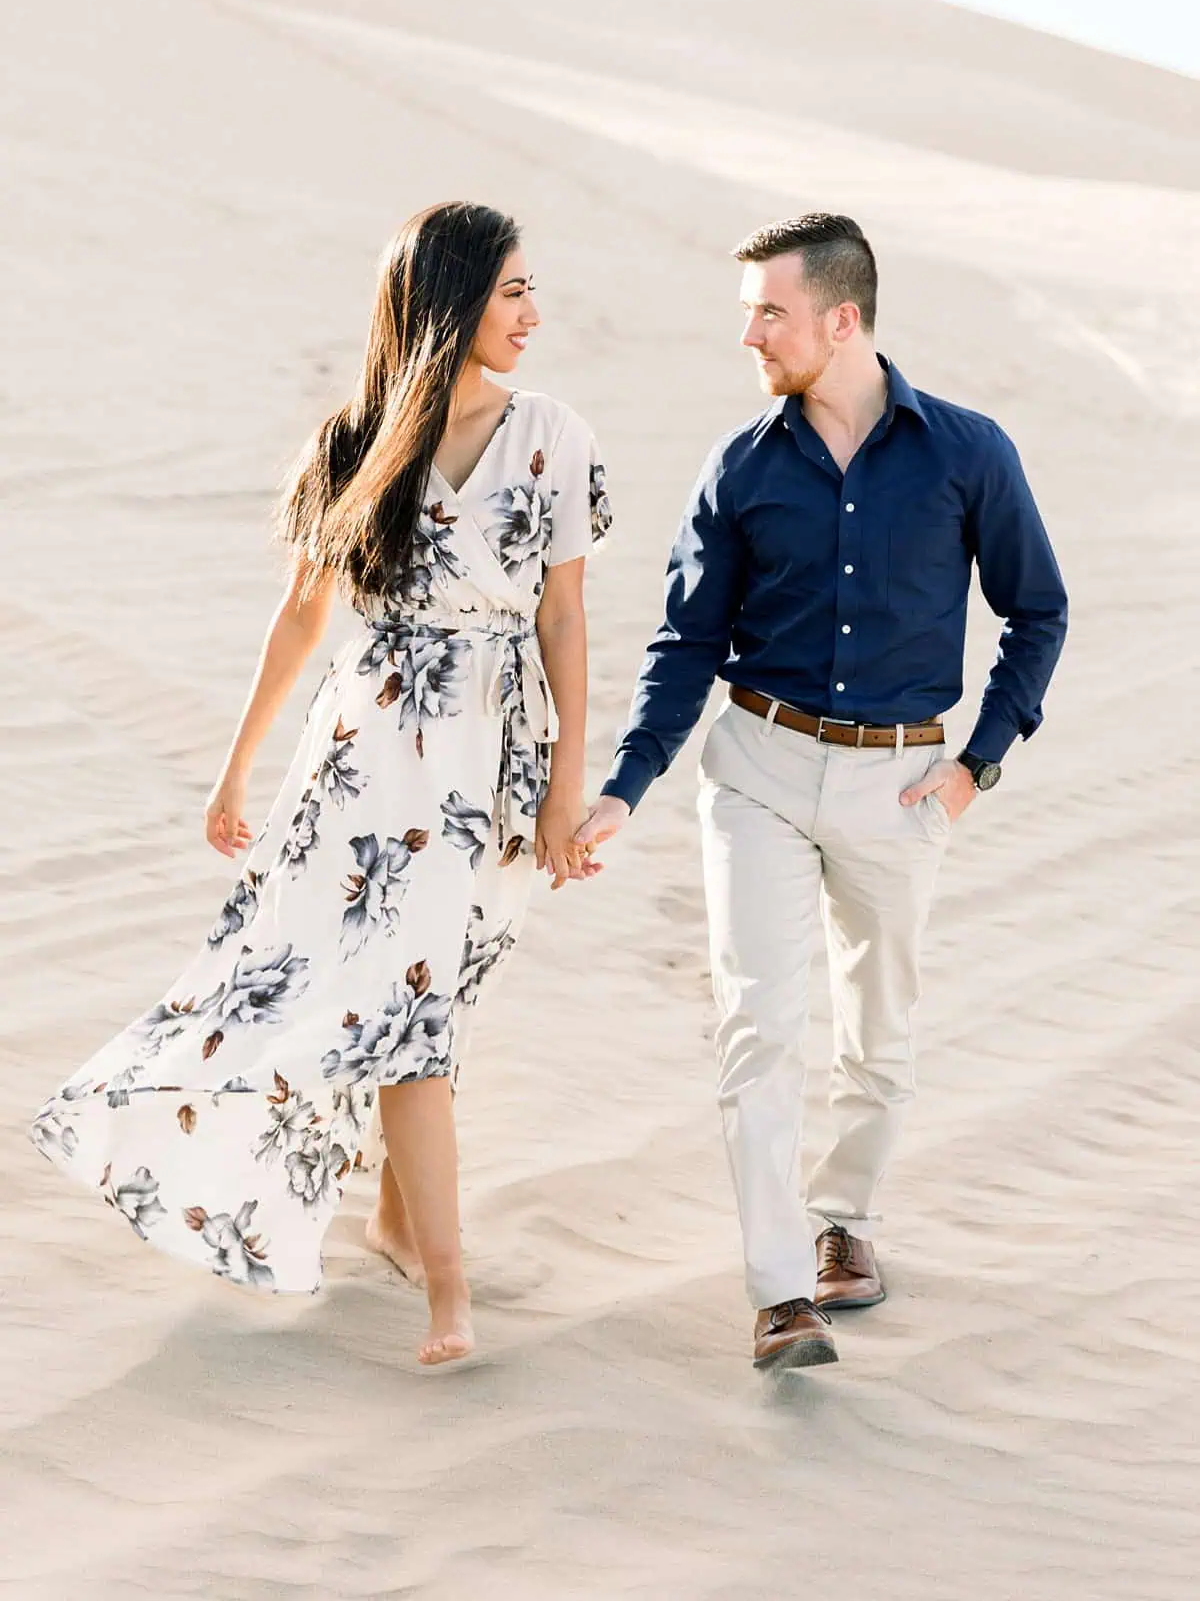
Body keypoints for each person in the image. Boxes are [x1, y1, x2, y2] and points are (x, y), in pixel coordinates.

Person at [31, 201, 612, 1366]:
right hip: (365, 766)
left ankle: (399, 1220)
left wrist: (562, 786)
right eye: (510, 293)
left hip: (486, 767)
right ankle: (448, 1289)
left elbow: (563, 618)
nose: (534, 314)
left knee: (430, 1001)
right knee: (401, 1013)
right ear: (448, 307)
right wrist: (236, 765)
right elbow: (303, 619)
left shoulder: (552, 435)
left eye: (531, 290)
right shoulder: (354, 443)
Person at [576, 213, 1067, 1373]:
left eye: (770, 312)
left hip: (904, 782)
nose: (748, 333)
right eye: (749, 311)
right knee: (760, 1022)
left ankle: (847, 1220)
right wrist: (625, 787)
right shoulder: (740, 466)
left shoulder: (968, 454)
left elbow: (1036, 613)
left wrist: (972, 767)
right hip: (758, 767)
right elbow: (685, 642)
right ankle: (780, 1289)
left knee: (878, 1028)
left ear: (842, 320)